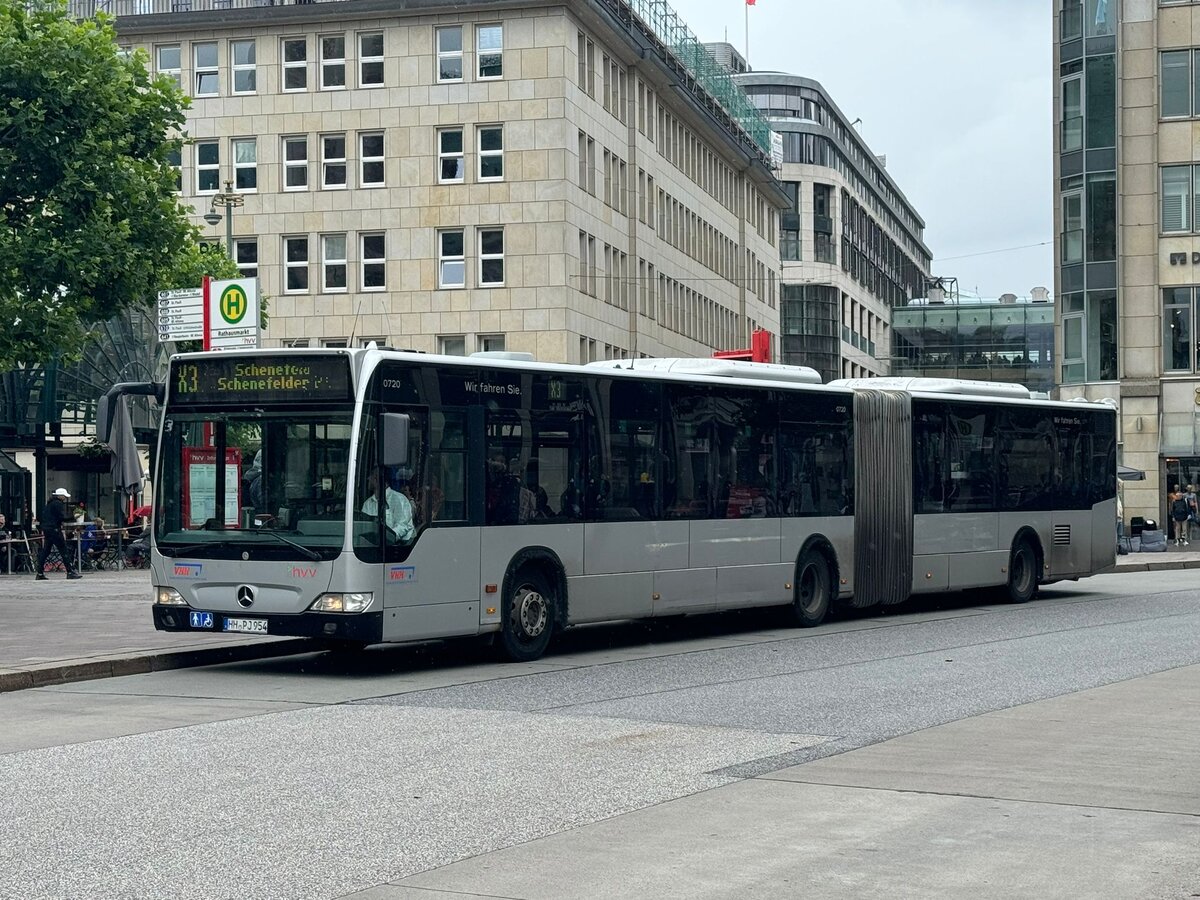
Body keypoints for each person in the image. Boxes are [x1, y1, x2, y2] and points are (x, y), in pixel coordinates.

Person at [36, 488, 82, 580]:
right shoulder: (58, 504)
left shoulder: (49, 504)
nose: (65, 498)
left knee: (46, 551)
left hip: (47, 529)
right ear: (60, 496)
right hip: (55, 529)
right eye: (64, 496)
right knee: (63, 550)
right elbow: (61, 517)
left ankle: (39, 572)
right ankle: (70, 571)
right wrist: (73, 517)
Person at [362, 470, 415, 542]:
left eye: (371, 475)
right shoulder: (368, 503)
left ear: (378, 479)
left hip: (399, 545)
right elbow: (364, 527)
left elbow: (402, 526)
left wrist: (386, 537)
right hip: (372, 545)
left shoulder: (398, 499)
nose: (368, 478)